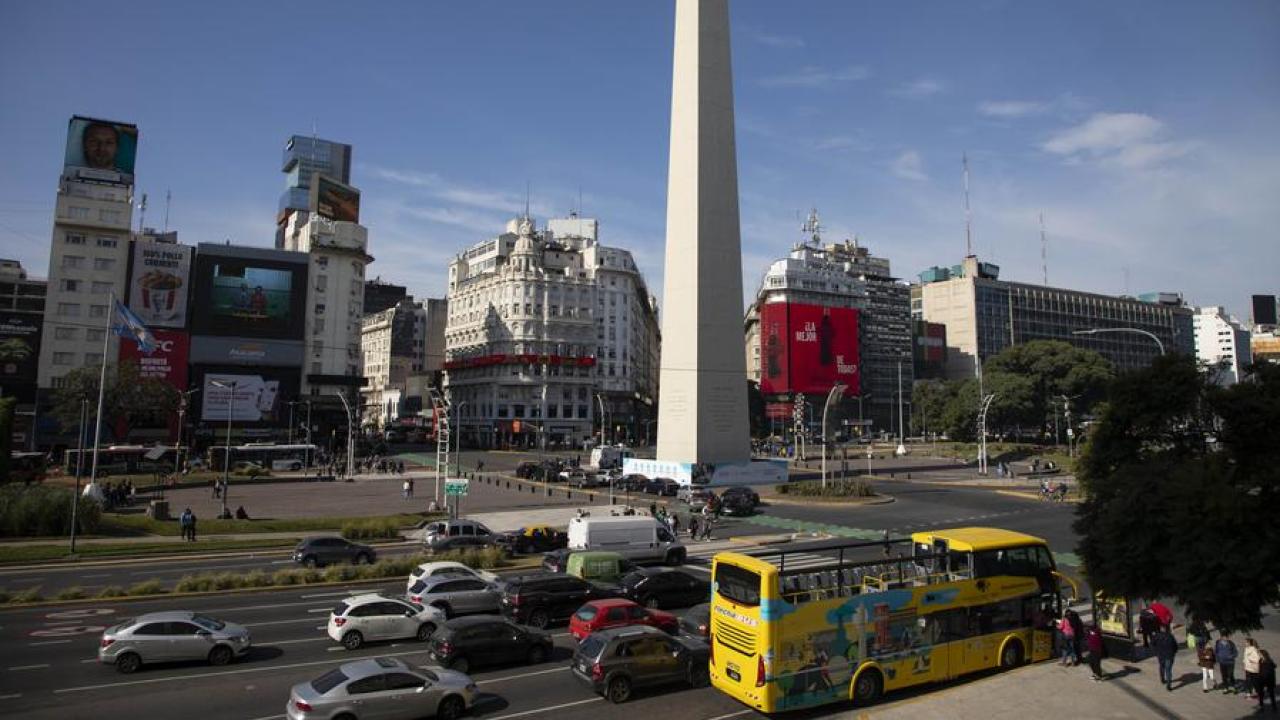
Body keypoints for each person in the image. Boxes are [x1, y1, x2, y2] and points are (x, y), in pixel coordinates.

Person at [1152, 625, 1178, 691]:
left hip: (1160, 655)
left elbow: (1152, 644)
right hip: (1169, 655)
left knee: (1161, 666)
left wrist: (1156, 651)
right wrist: (1174, 652)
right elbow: (1175, 646)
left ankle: (1162, 679)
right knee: (1168, 670)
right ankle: (1168, 685)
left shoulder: (1157, 636)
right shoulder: (1170, 636)